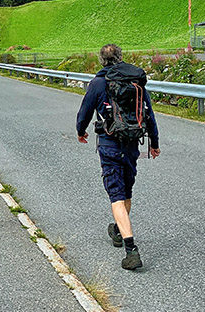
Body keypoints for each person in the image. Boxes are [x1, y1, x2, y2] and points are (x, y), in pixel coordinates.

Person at [76, 44, 160, 270]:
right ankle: (117, 229)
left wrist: (80, 130)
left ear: (101, 61)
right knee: (126, 191)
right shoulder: (135, 82)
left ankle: (131, 249)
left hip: (109, 144)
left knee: (116, 196)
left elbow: (84, 112)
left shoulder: (97, 83)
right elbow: (148, 113)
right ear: (121, 58)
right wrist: (154, 142)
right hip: (132, 144)